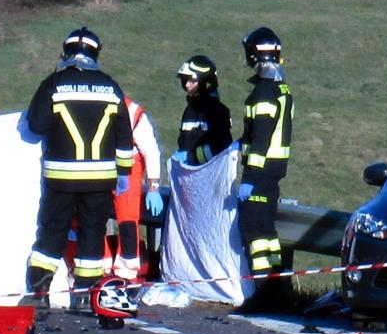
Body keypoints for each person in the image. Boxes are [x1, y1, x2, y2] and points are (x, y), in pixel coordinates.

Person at [25, 26, 134, 315]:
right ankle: (86, 296)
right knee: (92, 235)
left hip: (61, 177)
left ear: (66, 52)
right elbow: (125, 138)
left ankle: (38, 294)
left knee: (51, 234)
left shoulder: (54, 84)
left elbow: (35, 126)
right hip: (100, 180)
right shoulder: (111, 87)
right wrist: (123, 174)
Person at [236, 26, 294, 308]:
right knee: (268, 235)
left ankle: (261, 295)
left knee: (254, 232)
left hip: (259, 174)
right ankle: (275, 291)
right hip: (274, 173)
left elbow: (260, 139)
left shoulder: (263, 93)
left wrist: (249, 177)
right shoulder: (282, 89)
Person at [111, 95, 163, 279]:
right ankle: (97, 264)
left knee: (127, 218)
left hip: (127, 169)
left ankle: (127, 271)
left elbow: (150, 150)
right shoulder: (90, 103)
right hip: (98, 166)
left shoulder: (133, 113)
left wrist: (153, 187)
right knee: (87, 217)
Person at [172, 55, 232, 166]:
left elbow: (222, 145)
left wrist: (191, 157)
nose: (186, 85)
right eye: (185, 80)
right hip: (188, 176)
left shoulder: (218, 111)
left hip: (209, 176)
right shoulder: (189, 110)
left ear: (205, 83)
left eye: (192, 81)